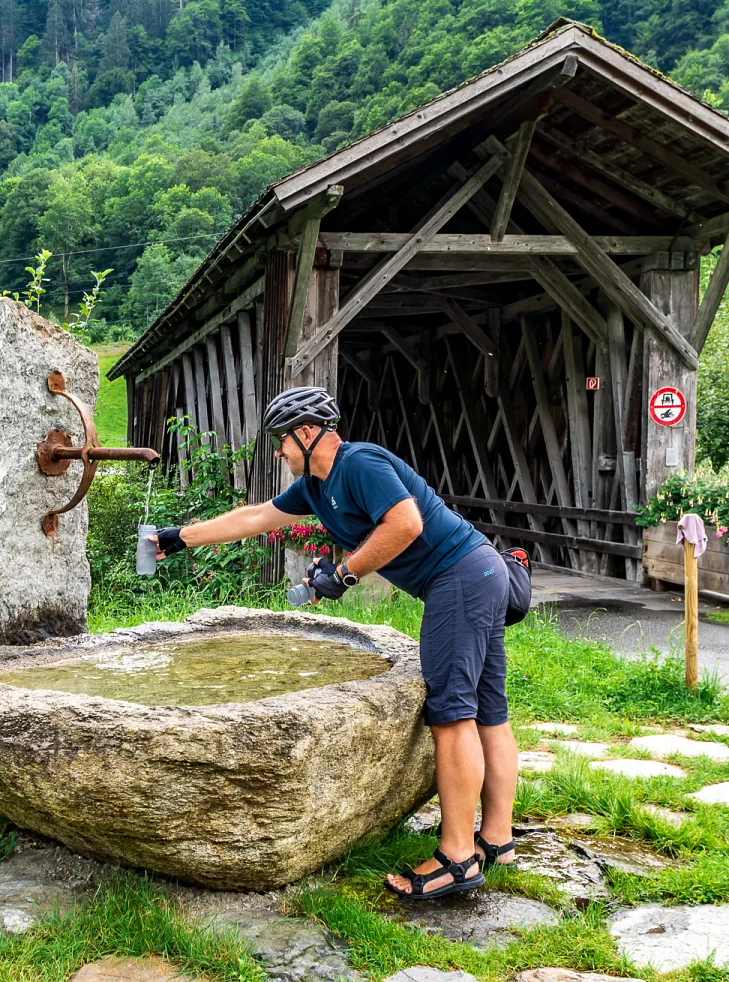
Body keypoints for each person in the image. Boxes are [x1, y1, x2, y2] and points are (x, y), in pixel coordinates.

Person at [150, 385, 518, 900]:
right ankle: (496, 840)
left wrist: (345, 574)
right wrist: (178, 537)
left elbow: (406, 523)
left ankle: (457, 858)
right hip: (479, 574)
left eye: (281, 440)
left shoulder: (359, 463)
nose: (278, 452)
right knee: (488, 709)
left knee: (452, 712)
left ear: (307, 433)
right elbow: (256, 517)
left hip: (459, 578)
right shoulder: (315, 486)